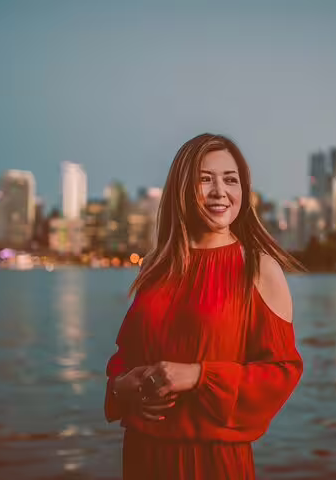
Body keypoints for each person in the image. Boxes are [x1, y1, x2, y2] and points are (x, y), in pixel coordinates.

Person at [104, 133, 304, 479]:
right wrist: (124, 385)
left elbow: (282, 371)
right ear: (181, 188)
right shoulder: (155, 266)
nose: (219, 192)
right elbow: (127, 353)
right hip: (142, 456)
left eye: (230, 180)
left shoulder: (259, 268)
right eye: (204, 179)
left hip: (211, 462)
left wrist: (199, 375)